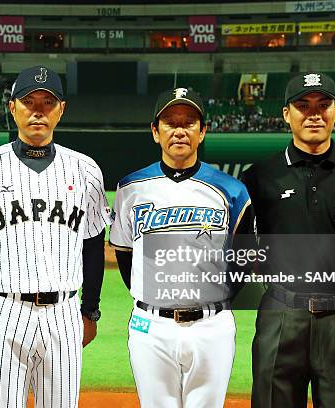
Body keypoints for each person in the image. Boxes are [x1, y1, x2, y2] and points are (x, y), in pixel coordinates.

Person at [0, 65, 110, 408]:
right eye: (28, 101)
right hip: (5, 310)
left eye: (48, 103)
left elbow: (93, 242)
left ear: (61, 110)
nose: (38, 110)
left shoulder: (85, 169)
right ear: (12, 107)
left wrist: (90, 311)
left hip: (64, 312)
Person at [241, 73, 335, 408]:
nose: (314, 114)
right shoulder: (257, 178)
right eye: (302, 105)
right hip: (279, 313)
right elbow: (242, 247)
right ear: (286, 114)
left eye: (323, 105)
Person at [109, 87, 254, 408]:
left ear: (202, 132)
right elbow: (123, 253)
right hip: (151, 326)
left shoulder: (232, 190)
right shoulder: (131, 187)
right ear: (155, 132)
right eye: (170, 122)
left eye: (189, 123)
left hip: (212, 326)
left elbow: (244, 259)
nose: (179, 130)